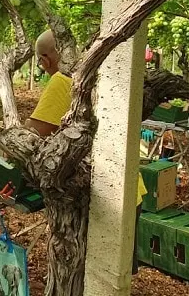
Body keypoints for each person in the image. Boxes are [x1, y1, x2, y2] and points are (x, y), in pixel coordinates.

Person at [25, 30, 148, 271]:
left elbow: (34, 133)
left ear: (45, 60)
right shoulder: (97, 76)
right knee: (114, 274)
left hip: (102, 196)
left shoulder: (61, 80)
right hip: (130, 186)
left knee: (90, 274)